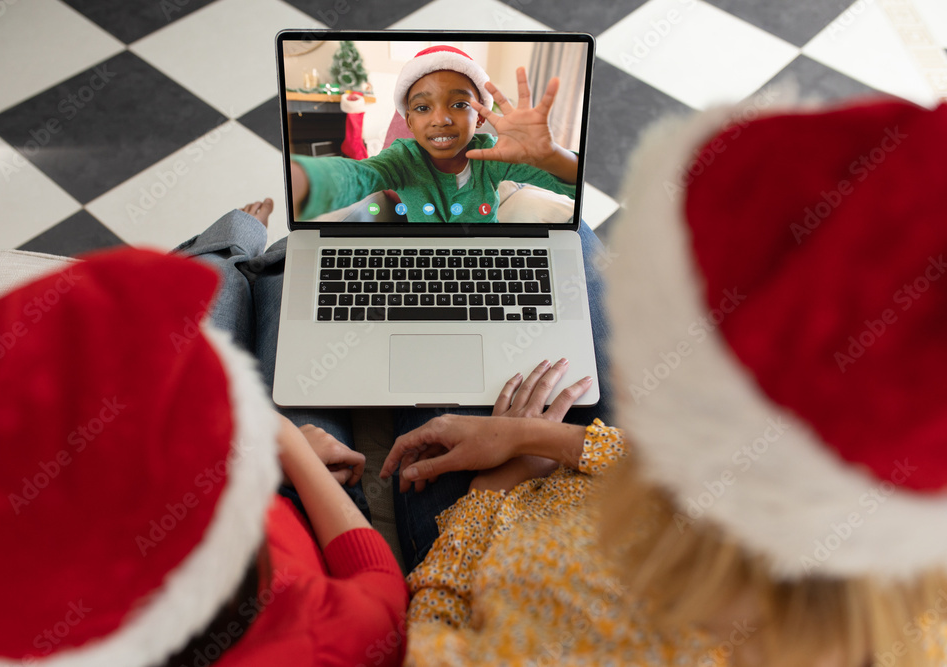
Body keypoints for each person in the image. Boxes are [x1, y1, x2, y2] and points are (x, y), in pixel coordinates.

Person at [380, 97, 947, 665]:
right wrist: (533, 438)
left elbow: (430, 642)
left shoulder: (542, 584)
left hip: (489, 529)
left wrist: (491, 490)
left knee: (347, 281)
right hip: (572, 472)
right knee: (562, 228)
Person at [0, 248, 407, 667]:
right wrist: (282, 437)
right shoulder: (320, 639)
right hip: (297, 498)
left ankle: (240, 241)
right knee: (285, 283)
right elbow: (380, 585)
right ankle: (252, 246)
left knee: (233, 280)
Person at [174, 193, 614, 575]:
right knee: (569, 232)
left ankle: (246, 244)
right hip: (588, 486)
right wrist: (537, 439)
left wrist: (504, 479)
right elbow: (665, 468)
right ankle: (261, 247)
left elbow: (435, 595)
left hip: (454, 531)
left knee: (228, 286)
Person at [289, 45, 579, 222]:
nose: (441, 119)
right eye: (423, 107)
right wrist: (308, 177)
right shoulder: (402, 158)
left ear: (478, 118)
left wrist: (549, 155)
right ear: (410, 122)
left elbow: (573, 183)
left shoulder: (491, 154)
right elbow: (359, 175)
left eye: (459, 104)